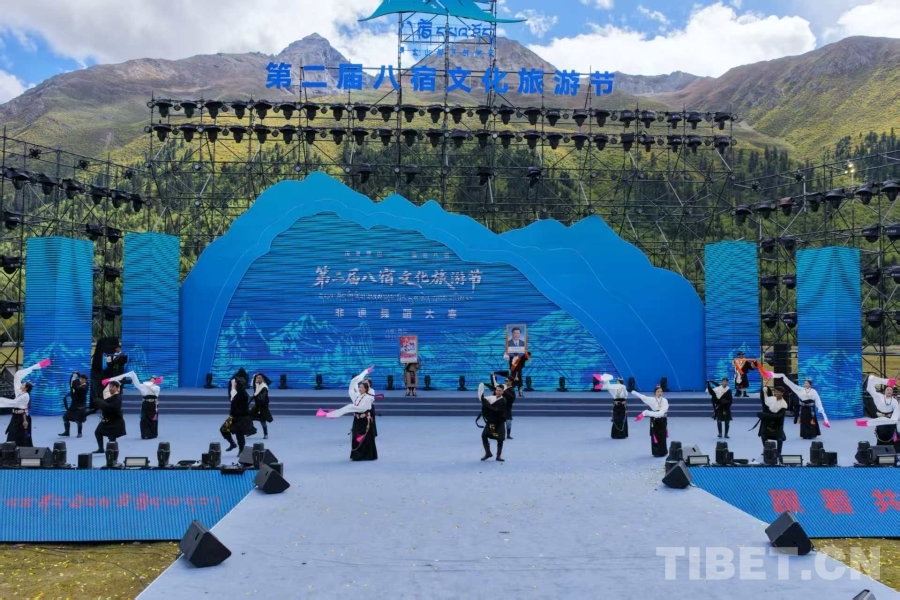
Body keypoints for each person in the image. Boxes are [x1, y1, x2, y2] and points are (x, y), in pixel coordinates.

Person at [324, 367, 378, 461]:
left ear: (367, 388)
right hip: (357, 420)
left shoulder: (369, 396)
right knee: (355, 437)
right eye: (360, 386)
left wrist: (335, 413)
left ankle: (367, 455)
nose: (360, 388)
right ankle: (357, 455)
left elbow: (352, 408)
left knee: (365, 438)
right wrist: (365, 372)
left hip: (364, 420)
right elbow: (353, 383)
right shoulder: (358, 396)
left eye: (362, 387)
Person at [1, 359, 49, 447]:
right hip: (15, 417)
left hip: (22, 418)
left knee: (21, 435)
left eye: (23, 384)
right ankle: (10, 448)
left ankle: (22, 449)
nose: (22, 384)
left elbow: (14, 403)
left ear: (26, 388)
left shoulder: (25, 396)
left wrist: (1, 401)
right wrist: (34, 367)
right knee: (12, 433)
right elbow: (17, 378)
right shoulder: (21, 391)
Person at [104, 371, 163, 440]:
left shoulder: (157, 387)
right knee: (144, 418)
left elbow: (152, 388)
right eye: (151, 379)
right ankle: (145, 434)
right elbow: (137, 384)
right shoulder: (144, 386)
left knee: (152, 418)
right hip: (145, 403)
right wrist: (133, 377)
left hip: (153, 404)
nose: (152, 380)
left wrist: (148, 384)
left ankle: (152, 434)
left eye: (154, 379)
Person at [775, 374, 829, 439]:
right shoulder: (801, 390)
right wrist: (785, 379)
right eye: (805, 383)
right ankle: (805, 434)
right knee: (804, 421)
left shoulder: (813, 391)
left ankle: (811, 434)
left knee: (811, 421)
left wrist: (820, 408)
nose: (805, 384)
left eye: (807, 383)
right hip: (803, 408)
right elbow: (793, 386)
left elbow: (818, 400)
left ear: (810, 384)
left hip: (810, 409)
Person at [856, 375, 899, 447]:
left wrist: (892, 420)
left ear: (892, 392)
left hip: (890, 421)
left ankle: (891, 447)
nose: (889, 391)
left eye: (891, 390)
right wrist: (885, 382)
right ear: (884, 391)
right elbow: (870, 387)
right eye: (888, 390)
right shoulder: (879, 397)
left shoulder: (894, 401)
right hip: (880, 419)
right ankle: (879, 447)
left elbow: (896, 414)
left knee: (890, 435)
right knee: (880, 434)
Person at [221, 374, 257, 453]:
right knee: (223, 430)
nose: (233, 385)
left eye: (235, 383)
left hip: (241, 417)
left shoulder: (243, 395)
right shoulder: (235, 392)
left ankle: (241, 450)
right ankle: (232, 444)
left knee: (239, 434)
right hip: (233, 416)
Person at [631, 385, 669, 457]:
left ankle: (663, 451)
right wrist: (634, 392)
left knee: (662, 435)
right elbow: (644, 398)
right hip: (654, 420)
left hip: (662, 420)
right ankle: (656, 452)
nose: (660, 393)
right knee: (655, 434)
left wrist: (646, 413)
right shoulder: (652, 400)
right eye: (658, 391)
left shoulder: (665, 401)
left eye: (661, 391)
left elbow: (661, 413)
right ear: (655, 393)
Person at [756, 382, 788, 459]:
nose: (776, 393)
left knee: (779, 438)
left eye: (778, 392)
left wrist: (765, 415)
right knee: (763, 436)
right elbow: (765, 399)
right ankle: (766, 449)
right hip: (768, 422)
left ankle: (779, 452)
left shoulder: (783, 404)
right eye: (775, 391)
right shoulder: (772, 399)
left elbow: (778, 416)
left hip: (777, 423)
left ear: (782, 393)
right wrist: (764, 390)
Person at [93, 380, 126, 453]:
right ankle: (101, 449)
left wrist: (100, 402)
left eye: (112, 387)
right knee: (98, 432)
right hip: (107, 419)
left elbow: (111, 407)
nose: (110, 388)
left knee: (112, 437)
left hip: (115, 420)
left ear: (117, 388)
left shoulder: (118, 397)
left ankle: (112, 451)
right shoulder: (109, 396)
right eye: (110, 387)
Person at [478, 382, 507, 461]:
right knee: (484, 435)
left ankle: (498, 456)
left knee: (500, 439)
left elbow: (495, 410)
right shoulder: (491, 398)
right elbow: (483, 400)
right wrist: (481, 391)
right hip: (491, 422)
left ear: (502, 392)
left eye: (500, 391)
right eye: (497, 390)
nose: (498, 392)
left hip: (499, 422)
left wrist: (487, 405)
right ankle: (488, 453)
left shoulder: (503, 401)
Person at [60, 372, 89, 438]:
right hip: (74, 404)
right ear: (80, 378)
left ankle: (79, 433)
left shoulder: (86, 386)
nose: (83, 380)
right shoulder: (76, 382)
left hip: (81, 405)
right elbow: (72, 382)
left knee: (79, 420)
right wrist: (75, 374)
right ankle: (67, 432)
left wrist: (74, 384)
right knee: (65, 417)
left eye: (84, 380)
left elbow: (77, 388)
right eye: (81, 379)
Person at [602, 375, 628, 439]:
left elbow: (625, 395)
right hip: (616, 406)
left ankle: (622, 434)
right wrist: (606, 380)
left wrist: (622, 387)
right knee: (616, 419)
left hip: (622, 406)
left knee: (621, 419)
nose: (617, 384)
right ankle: (615, 434)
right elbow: (608, 387)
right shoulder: (614, 389)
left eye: (618, 382)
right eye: (617, 382)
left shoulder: (624, 389)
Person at [491, 372, 516, 439]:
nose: (505, 382)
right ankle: (495, 433)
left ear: (511, 382)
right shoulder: (502, 388)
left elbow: (512, 399)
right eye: (505, 380)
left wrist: (505, 392)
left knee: (508, 422)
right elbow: (495, 387)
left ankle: (508, 435)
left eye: (507, 381)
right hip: (500, 408)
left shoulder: (512, 390)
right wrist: (493, 377)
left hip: (507, 408)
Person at [250, 373, 273, 440]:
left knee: (263, 421)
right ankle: (251, 431)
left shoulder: (264, 387)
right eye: (257, 378)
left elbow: (263, 397)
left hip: (263, 407)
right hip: (256, 406)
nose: (258, 379)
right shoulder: (256, 385)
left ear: (262, 379)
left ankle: (265, 434)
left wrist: (259, 398)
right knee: (249, 417)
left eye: (260, 378)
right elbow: (253, 383)